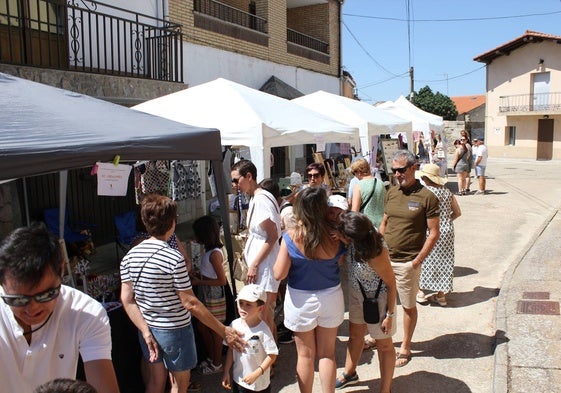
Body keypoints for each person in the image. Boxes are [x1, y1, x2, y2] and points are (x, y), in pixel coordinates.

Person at [120, 194, 245, 393]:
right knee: (180, 383)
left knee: (155, 381)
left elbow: (127, 300)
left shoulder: (129, 257)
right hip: (175, 329)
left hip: (148, 328)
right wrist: (224, 331)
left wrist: (144, 329)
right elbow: (190, 302)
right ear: (172, 222)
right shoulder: (173, 257)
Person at [0, 223, 120, 393]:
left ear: (62, 270)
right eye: (18, 300)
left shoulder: (85, 313)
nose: (32, 308)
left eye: (45, 296)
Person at [273, 187, 347, 393]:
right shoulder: (336, 235)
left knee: (305, 356)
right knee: (327, 354)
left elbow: (279, 274)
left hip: (300, 299)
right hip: (331, 296)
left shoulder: (291, 236)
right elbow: (341, 260)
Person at [378, 149, 440, 368]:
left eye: (401, 170)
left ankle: (405, 345)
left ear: (414, 168)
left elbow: (434, 233)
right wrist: (377, 247)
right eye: (394, 170)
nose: (397, 174)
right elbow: (385, 223)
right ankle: (381, 338)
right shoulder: (392, 192)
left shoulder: (427, 197)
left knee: (407, 306)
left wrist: (417, 260)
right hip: (385, 259)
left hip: (407, 262)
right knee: (382, 303)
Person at [335, 212, 397, 393]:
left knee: (384, 345)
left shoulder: (376, 252)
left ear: (355, 238)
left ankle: (385, 389)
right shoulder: (356, 238)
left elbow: (391, 283)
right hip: (357, 294)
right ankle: (349, 373)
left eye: (344, 235)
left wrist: (389, 315)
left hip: (378, 299)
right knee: (355, 336)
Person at [231, 160, 281, 342]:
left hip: (265, 269)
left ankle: (269, 363)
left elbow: (272, 235)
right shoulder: (258, 198)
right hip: (263, 268)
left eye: (236, 180)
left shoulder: (260, 200)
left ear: (249, 176)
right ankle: (269, 360)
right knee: (264, 316)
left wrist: (254, 264)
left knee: (264, 317)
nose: (234, 185)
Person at [415, 164, 462, 307]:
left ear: (425, 178)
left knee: (423, 259)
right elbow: (457, 212)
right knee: (444, 261)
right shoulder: (447, 192)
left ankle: (421, 292)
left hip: (428, 231)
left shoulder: (424, 193)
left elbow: (417, 214)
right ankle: (441, 296)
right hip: (446, 231)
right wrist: (446, 221)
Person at [222, 284, 278, 393]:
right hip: (239, 380)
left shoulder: (263, 330)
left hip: (259, 385)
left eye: (248, 305)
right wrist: (226, 372)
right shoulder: (234, 325)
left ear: (260, 308)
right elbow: (230, 350)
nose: (243, 308)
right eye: (241, 303)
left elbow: (272, 355)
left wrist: (257, 373)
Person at [190, 215, 228, 375]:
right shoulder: (211, 252)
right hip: (207, 294)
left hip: (214, 296)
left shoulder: (214, 254)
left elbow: (221, 280)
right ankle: (213, 357)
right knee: (203, 326)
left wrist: (200, 282)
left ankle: (217, 362)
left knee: (215, 329)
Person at [350, 158, 386, 228]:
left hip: (367, 225)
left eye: (354, 173)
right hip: (382, 224)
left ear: (359, 172)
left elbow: (355, 211)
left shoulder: (358, 186)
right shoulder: (380, 183)